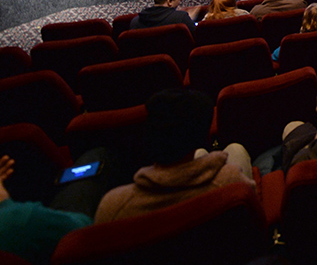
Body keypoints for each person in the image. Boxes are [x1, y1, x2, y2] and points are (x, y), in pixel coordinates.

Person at [94, 89, 253, 223]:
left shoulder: (114, 206)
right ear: (203, 137)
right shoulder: (231, 182)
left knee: (201, 154)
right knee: (235, 149)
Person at [130, 0, 197, 34]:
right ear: (170, 1)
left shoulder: (135, 22)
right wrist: (188, 20)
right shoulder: (181, 18)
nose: (180, 2)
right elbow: (197, 37)